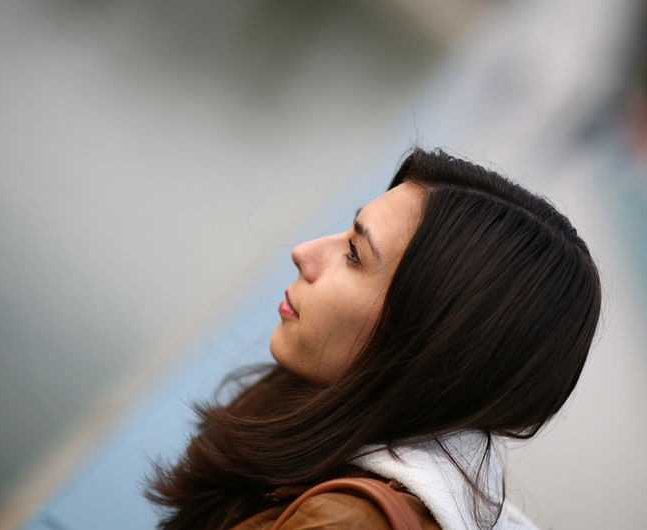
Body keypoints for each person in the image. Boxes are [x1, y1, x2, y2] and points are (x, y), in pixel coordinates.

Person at [146, 148, 602, 529]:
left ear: (426, 333)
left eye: (354, 254)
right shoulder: (445, 487)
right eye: (348, 231)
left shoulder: (343, 524)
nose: (303, 252)